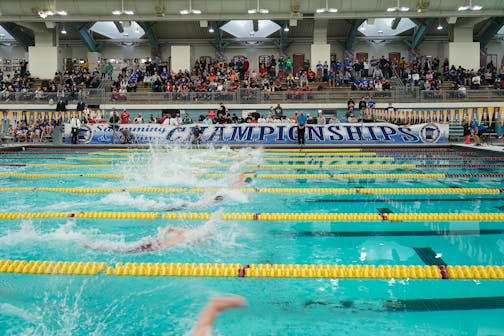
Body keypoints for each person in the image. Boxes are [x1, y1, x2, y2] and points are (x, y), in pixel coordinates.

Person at [82, 225, 198, 253]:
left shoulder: (185, 232)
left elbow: (169, 227)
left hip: (152, 241)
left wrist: (161, 236)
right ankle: (91, 246)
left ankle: (93, 245)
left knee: (123, 248)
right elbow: (165, 246)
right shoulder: (186, 237)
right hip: (152, 245)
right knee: (123, 250)